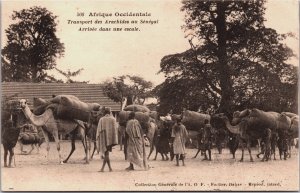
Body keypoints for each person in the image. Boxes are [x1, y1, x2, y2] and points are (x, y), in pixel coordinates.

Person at [96, 107, 118, 172]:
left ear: (104, 112)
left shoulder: (101, 119)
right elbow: (115, 130)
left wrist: (98, 137)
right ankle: (109, 168)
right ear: (110, 112)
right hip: (110, 139)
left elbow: (98, 130)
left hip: (103, 138)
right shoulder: (113, 119)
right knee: (107, 153)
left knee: (106, 153)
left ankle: (103, 168)